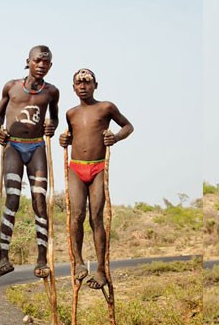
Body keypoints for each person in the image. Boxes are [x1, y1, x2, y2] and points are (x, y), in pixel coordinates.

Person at [59, 68, 134, 289]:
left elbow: (128, 126)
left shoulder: (106, 107)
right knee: (76, 215)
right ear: (73, 88)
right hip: (76, 168)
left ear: (95, 85)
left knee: (96, 217)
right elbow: (74, 138)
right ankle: (80, 263)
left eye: (87, 82)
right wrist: (65, 140)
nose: (83, 86)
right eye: (78, 83)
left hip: (98, 167)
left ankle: (101, 270)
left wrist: (116, 138)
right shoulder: (71, 113)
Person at [0, 45, 59, 279]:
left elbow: (55, 118)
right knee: (12, 198)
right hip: (14, 145)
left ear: (50, 66)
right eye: (38, 61)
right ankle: (3, 257)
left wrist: (52, 126)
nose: (41, 66)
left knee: (39, 200)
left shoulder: (51, 92)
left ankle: (42, 258)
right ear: (28, 61)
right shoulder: (11, 87)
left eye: (46, 63)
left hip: (37, 146)